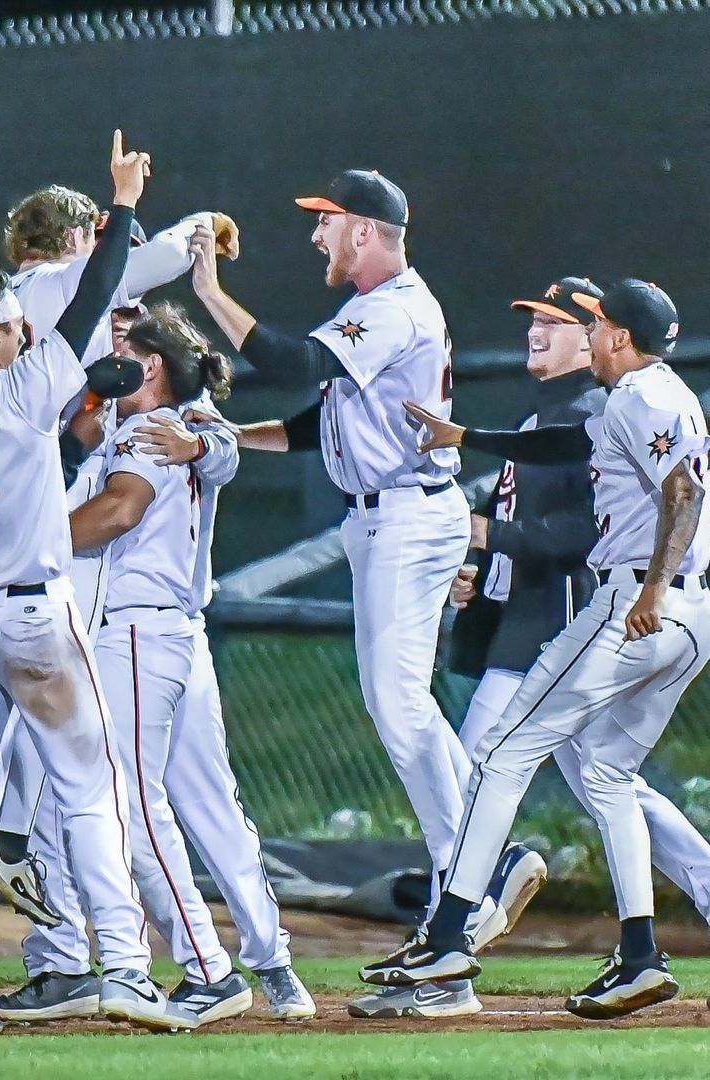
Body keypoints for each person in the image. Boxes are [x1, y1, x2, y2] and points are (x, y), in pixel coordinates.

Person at [367, 280, 710, 1021]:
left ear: (619, 337)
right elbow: (565, 444)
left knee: (501, 754)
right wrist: (468, 438)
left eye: (594, 328)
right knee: (608, 773)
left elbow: (682, 493)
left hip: (636, 602)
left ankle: (447, 931)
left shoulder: (635, 398)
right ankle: (641, 954)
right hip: (692, 613)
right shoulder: (657, 394)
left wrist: (651, 590)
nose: (588, 339)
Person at [184, 168, 540, 1018]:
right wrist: (234, 436)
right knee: (397, 703)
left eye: (329, 222)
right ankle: (476, 886)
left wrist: (208, 291)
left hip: (411, 515)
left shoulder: (396, 307)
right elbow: (325, 418)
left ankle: (475, 877)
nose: (317, 237)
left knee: (396, 700)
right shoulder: (380, 311)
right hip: (385, 517)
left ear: (369, 231)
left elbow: (291, 361)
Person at [0, 132, 185, 1036]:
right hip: (35, 617)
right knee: (91, 790)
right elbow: (95, 294)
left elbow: (18, 351)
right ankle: (128, 971)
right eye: (9, 325)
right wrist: (124, 204)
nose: (22, 329)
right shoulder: (19, 389)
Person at [57, 303, 310, 1028]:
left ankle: (207, 968)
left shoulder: (163, 425)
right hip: (175, 635)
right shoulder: (165, 419)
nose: (107, 358)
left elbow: (119, 512)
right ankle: (277, 966)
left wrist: (23, 544)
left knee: (134, 808)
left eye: (124, 348)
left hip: (138, 634)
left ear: (155, 363)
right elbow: (208, 444)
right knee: (211, 806)